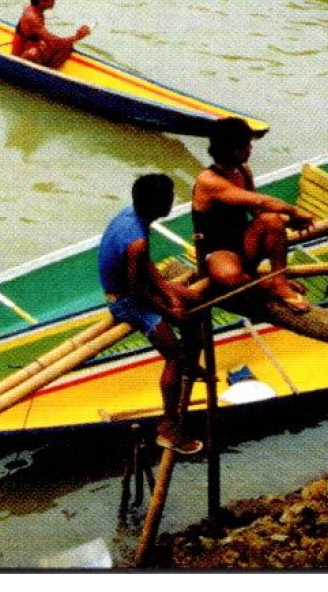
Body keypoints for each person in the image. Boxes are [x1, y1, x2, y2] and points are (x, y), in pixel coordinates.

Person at [99, 173, 207, 453]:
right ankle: (168, 427)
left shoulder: (130, 216)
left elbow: (144, 267)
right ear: (156, 203)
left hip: (136, 287)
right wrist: (169, 312)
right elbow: (137, 295)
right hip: (124, 301)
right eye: (169, 197)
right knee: (174, 355)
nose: (173, 201)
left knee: (194, 301)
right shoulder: (137, 241)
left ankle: (192, 366)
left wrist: (167, 288)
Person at [191, 117, 314, 312]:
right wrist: (294, 212)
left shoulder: (243, 171)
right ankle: (269, 285)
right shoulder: (208, 181)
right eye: (247, 145)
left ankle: (279, 281)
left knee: (271, 220)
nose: (251, 149)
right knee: (229, 277)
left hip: (245, 240)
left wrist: (289, 223)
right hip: (219, 251)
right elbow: (261, 201)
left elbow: (257, 212)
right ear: (235, 150)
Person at [12, 0, 90, 68]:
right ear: (41, 0)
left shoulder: (36, 10)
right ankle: (46, 74)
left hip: (35, 49)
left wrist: (70, 40)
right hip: (21, 57)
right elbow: (52, 42)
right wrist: (76, 37)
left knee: (67, 46)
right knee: (32, 54)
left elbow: (49, 40)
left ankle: (51, 71)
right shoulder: (32, 18)